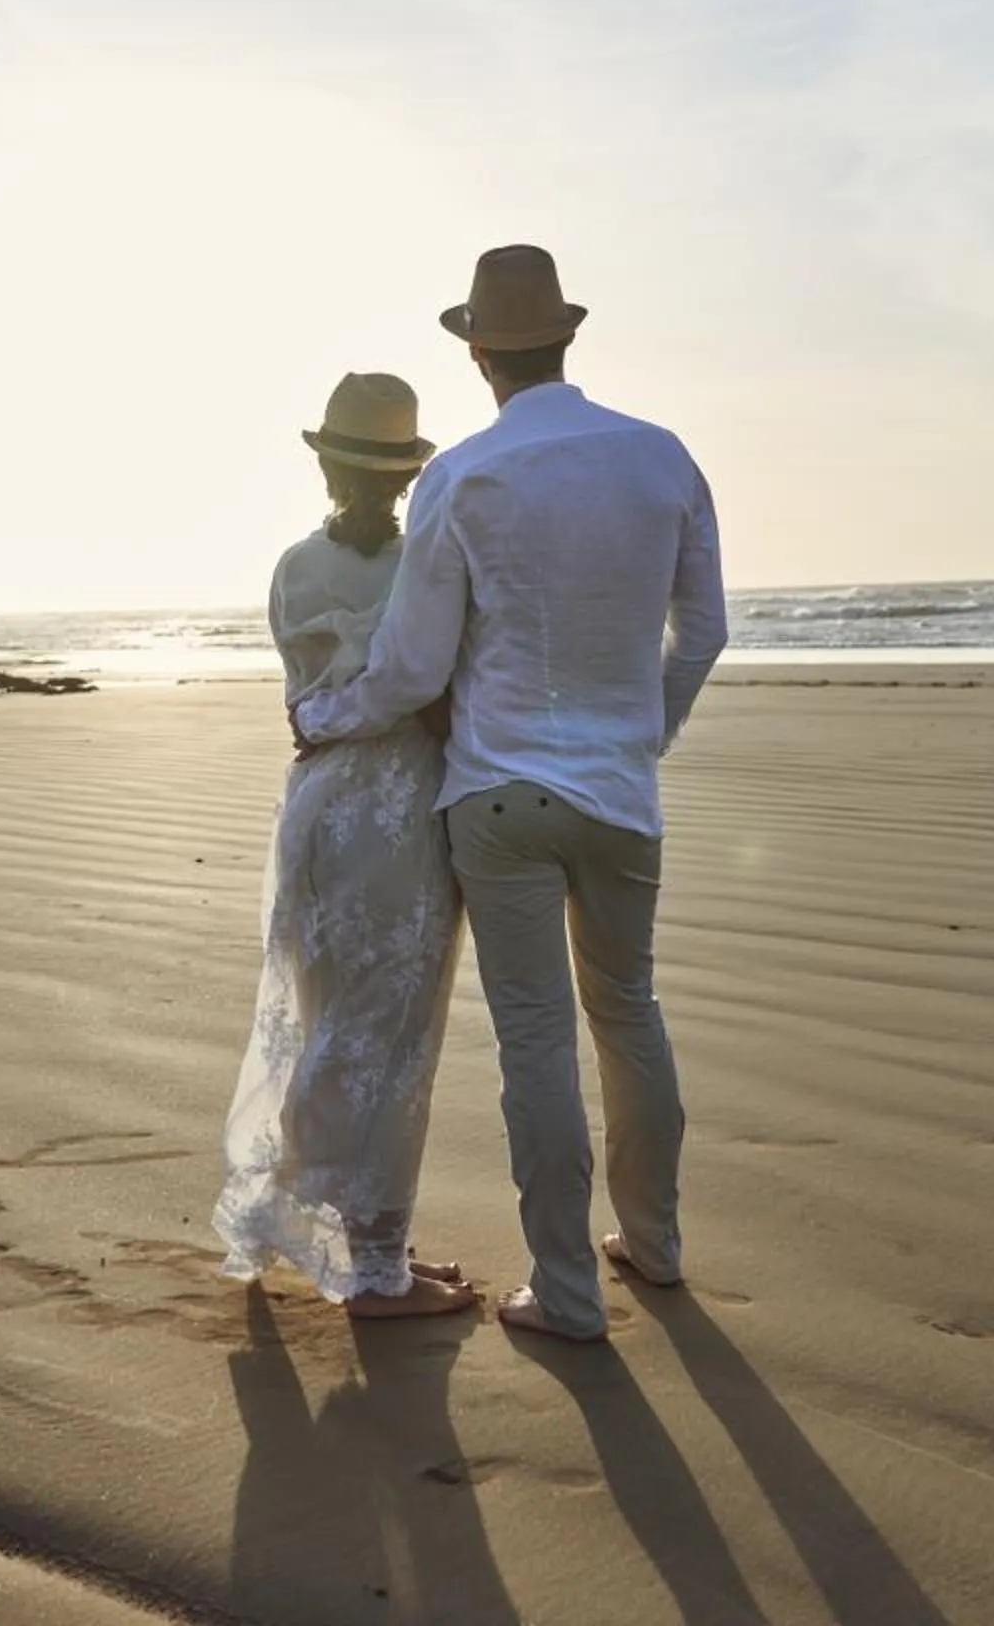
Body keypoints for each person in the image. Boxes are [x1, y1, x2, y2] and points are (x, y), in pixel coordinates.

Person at [293, 245, 728, 1341]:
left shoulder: (463, 477)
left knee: (537, 1038)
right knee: (629, 1013)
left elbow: (412, 669)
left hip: (495, 797)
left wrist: (327, 717)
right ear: (568, 337)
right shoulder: (662, 456)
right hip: (621, 795)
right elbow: (706, 629)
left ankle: (569, 1292)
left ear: (477, 349)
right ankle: (659, 1244)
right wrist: (645, 731)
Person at [212, 372, 479, 1318]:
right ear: (408, 476)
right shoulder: (428, 563)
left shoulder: (293, 566)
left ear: (326, 462)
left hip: (316, 801)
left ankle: (317, 1226)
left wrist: (332, 716)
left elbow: (303, 699)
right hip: (399, 805)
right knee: (390, 1034)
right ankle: (376, 1267)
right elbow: (440, 692)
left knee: (325, 1015)